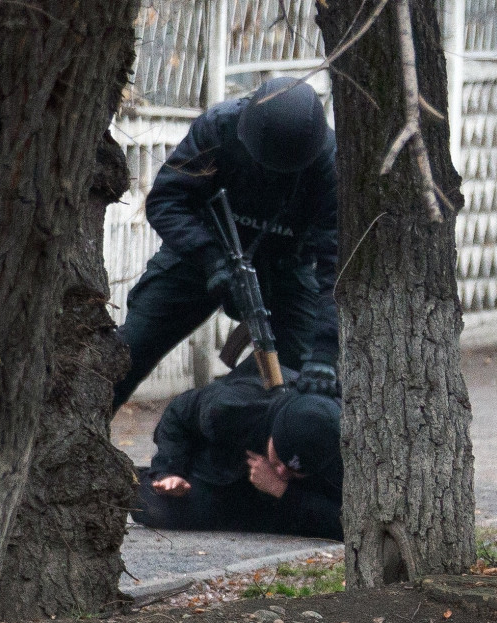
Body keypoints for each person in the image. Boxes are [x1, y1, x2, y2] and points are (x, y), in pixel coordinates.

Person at [113, 76, 340, 412]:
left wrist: (324, 351)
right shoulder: (220, 129)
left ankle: (246, 444)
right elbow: (167, 201)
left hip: (285, 269)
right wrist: (210, 259)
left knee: (306, 380)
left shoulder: (329, 164)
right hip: (198, 256)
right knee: (127, 355)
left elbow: (336, 264)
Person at [131, 363, 343, 541]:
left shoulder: (340, 452)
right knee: (153, 505)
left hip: (289, 501)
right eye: (279, 461)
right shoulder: (235, 406)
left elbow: (346, 522)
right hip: (222, 471)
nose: (281, 472)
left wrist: (282, 489)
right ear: (273, 436)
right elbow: (178, 414)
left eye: (294, 472)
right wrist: (170, 470)